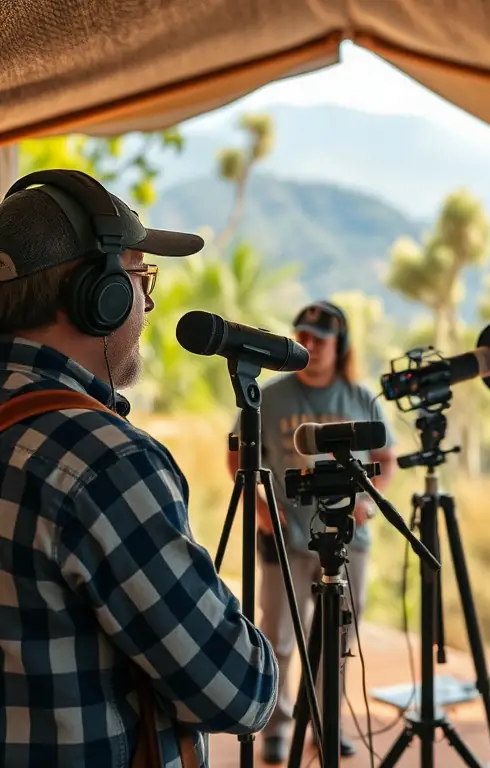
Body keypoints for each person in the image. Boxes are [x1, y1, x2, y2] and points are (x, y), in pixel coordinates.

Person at [0, 169, 279, 767]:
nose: (146, 303)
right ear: (97, 294)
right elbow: (238, 692)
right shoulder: (101, 460)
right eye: (138, 277)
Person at [226, 299, 398, 764]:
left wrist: (366, 503)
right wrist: (261, 510)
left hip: (348, 541)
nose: (311, 345)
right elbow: (236, 456)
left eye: (321, 339)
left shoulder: (360, 397)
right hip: (285, 540)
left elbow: (387, 460)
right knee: (279, 637)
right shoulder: (270, 396)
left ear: (341, 344)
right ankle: (276, 727)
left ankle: (327, 724)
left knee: (337, 641)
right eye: (303, 336)